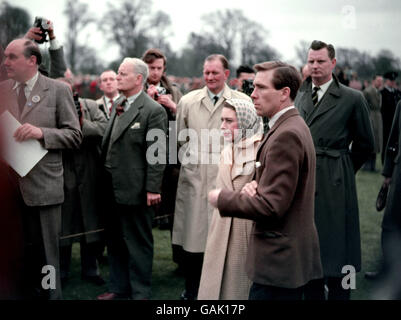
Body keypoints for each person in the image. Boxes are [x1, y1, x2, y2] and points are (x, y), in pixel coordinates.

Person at [208, 61, 322, 300]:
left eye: (261, 88)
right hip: (286, 258)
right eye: (253, 87)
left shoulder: (287, 133)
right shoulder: (288, 125)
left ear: (284, 93)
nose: (253, 94)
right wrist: (257, 186)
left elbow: (272, 206)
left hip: (278, 262)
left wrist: (223, 198)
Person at [0, 38, 82, 299]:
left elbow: (74, 135)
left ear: (32, 61)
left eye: (12, 57)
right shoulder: (3, 89)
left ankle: (50, 295)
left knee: (48, 255)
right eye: (5, 57)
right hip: (9, 190)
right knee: (15, 251)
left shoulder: (58, 90)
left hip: (44, 188)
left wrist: (41, 133)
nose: (6, 62)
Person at [295, 40, 374, 300]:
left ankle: (340, 294)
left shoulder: (353, 98)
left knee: (337, 248)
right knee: (308, 246)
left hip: (335, 180)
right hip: (303, 177)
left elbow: (365, 145)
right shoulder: (301, 94)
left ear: (333, 63)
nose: (315, 66)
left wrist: (341, 170)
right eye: (311, 61)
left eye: (321, 61)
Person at [172, 54, 250, 300]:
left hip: (228, 179)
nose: (210, 77)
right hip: (195, 179)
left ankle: (225, 292)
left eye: (215, 73)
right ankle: (192, 291)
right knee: (194, 241)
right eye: (206, 72)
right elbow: (180, 139)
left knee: (226, 240)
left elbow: (250, 140)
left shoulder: (242, 101)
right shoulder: (188, 101)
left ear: (227, 74)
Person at [97, 58, 167, 300]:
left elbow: (157, 155)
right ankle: (118, 288)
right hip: (111, 188)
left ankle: (140, 293)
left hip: (136, 189)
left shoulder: (153, 110)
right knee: (115, 241)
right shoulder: (119, 103)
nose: (117, 77)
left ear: (139, 79)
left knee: (138, 244)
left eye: (122, 73)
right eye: (118, 72)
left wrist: (152, 189)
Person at [198, 98, 263, 300]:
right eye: (222, 120)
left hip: (245, 230)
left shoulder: (261, 149)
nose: (222, 126)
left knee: (237, 289)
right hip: (220, 225)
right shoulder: (228, 148)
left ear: (244, 122)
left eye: (229, 121)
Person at [56, 78, 107, 287]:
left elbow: (104, 129)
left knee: (90, 224)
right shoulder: (51, 109)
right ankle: (62, 272)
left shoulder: (92, 106)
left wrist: (81, 123)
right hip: (62, 172)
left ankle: (91, 269)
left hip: (89, 172)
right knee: (63, 226)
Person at [370, 101, 401, 299]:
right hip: (400, 172)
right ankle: (387, 270)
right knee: (391, 222)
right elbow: (393, 140)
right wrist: (388, 172)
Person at [363, 75, 383, 172]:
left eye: (381, 81)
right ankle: (367, 165)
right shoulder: (368, 91)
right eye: (378, 81)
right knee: (371, 141)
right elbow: (363, 104)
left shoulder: (378, 92)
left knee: (376, 142)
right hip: (371, 117)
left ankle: (372, 166)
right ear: (374, 81)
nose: (380, 83)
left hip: (377, 118)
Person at [381, 71, 401, 163]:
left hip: (396, 121)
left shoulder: (397, 93)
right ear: (386, 81)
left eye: (394, 80)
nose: (393, 82)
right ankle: (384, 160)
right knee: (386, 142)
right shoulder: (382, 93)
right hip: (386, 122)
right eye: (391, 80)